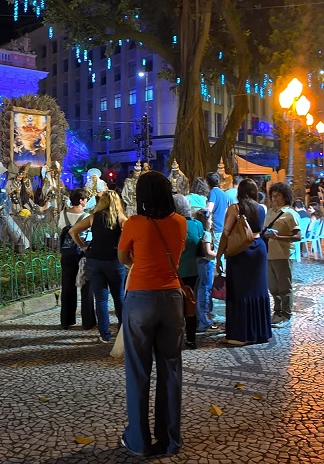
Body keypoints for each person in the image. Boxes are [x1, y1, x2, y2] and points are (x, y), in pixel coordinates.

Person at [116, 171, 186, 457]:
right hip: (171, 298)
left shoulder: (134, 223)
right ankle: (170, 439)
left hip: (140, 299)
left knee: (138, 371)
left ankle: (138, 440)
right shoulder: (180, 222)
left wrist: (139, 259)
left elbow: (122, 256)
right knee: (171, 370)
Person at [214, 178, 270, 347]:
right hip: (259, 248)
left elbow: (226, 233)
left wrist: (219, 256)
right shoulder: (261, 208)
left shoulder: (235, 208)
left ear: (240, 192)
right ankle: (259, 332)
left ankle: (240, 335)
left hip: (240, 251)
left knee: (239, 291)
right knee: (257, 289)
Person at [70, 190, 127, 343]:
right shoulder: (120, 218)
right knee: (119, 296)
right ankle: (123, 330)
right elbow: (130, 235)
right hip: (114, 261)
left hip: (94, 260)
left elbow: (73, 231)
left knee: (101, 299)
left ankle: (104, 334)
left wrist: (83, 247)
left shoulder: (93, 217)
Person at [57, 189, 95, 331]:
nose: (86, 202)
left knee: (67, 286)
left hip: (67, 254)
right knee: (86, 286)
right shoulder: (86, 216)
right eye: (85, 199)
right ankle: (88, 321)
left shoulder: (63, 214)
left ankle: (66, 320)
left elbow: (60, 229)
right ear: (80, 201)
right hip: (82, 253)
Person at [263, 183, 301, 325]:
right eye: (272, 195)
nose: (274, 198)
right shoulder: (270, 212)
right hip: (269, 254)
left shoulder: (290, 214)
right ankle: (277, 310)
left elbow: (298, 236)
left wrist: (279, 238)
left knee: (284, 286)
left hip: (283, 254)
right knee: (272, 286)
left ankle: (286, 313)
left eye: (277, 195)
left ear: (285, 196)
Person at [172, 195, 203, 349]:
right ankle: (191, 338)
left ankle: (174, 338)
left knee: (174, 306)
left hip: (174, 271)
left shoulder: (171, 225)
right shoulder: (197, 225)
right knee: (190, 303)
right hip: (192, 270)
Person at [193, 208, 216, 333]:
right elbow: (208, 252)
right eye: (211, 220)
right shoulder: (206, 234)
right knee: (205, 291)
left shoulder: (198, 231)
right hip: (206, 263)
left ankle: (200, 318)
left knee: (199, 290)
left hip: (198, 263)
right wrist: (218, 254)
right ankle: (205, 320)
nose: (212, 222)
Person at [204, 172, 230, 262]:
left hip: (216, 227)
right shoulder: (223, 194)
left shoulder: (213, 193)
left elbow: (208, 210)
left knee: (217, 254)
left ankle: (219, 274)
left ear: (208, 182)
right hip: (223, 227)